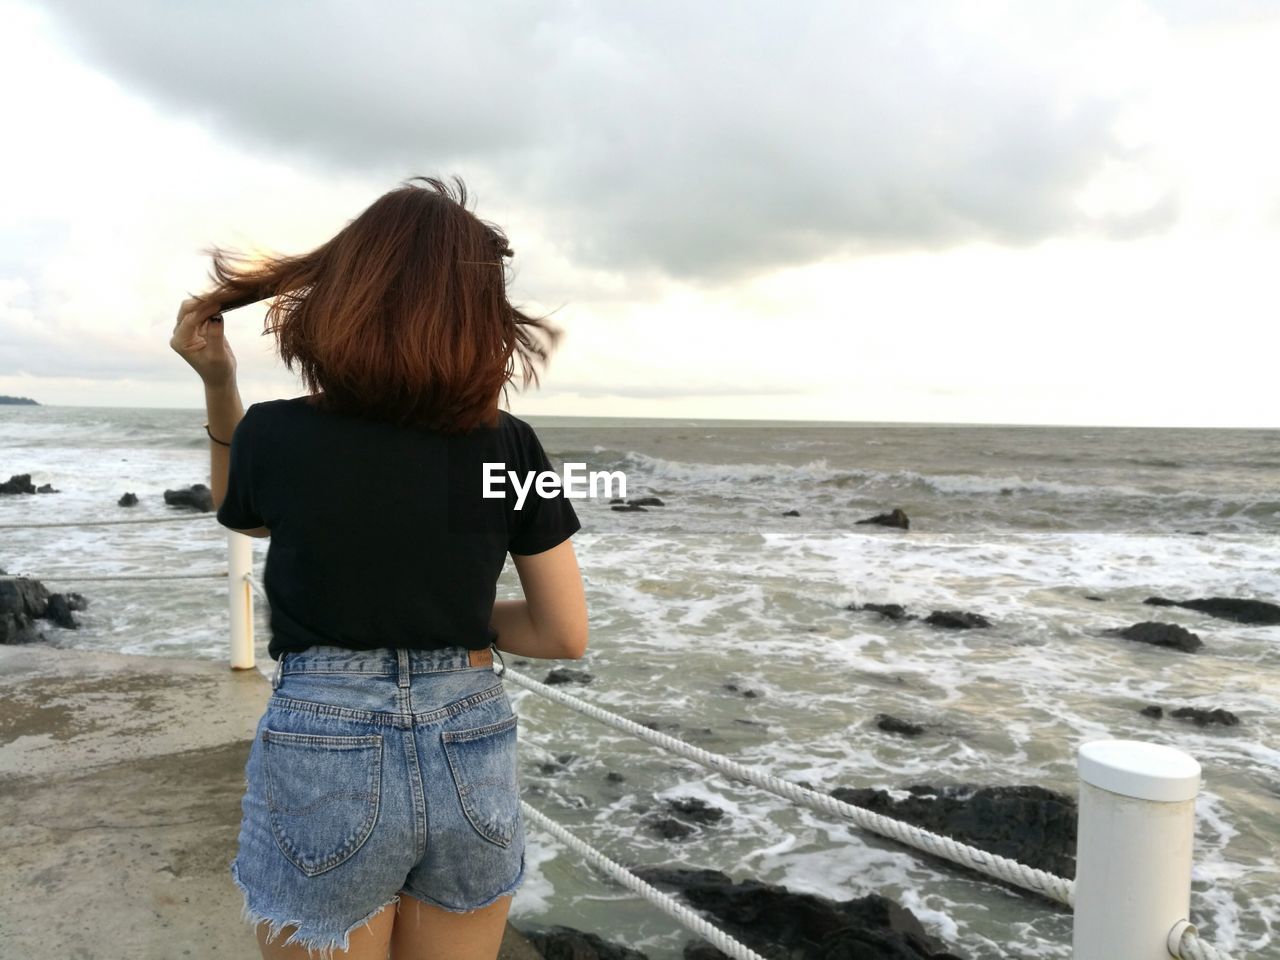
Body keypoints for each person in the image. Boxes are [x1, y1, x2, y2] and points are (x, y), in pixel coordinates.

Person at [169, 175, 589, 960]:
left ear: (345, 294)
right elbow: (563, 633)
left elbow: (242, 511)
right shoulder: (510, 447)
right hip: (470, 738)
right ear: (480, 313)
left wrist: (219, 383)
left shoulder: (275, 434)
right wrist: (443, 614)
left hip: (324, 738)